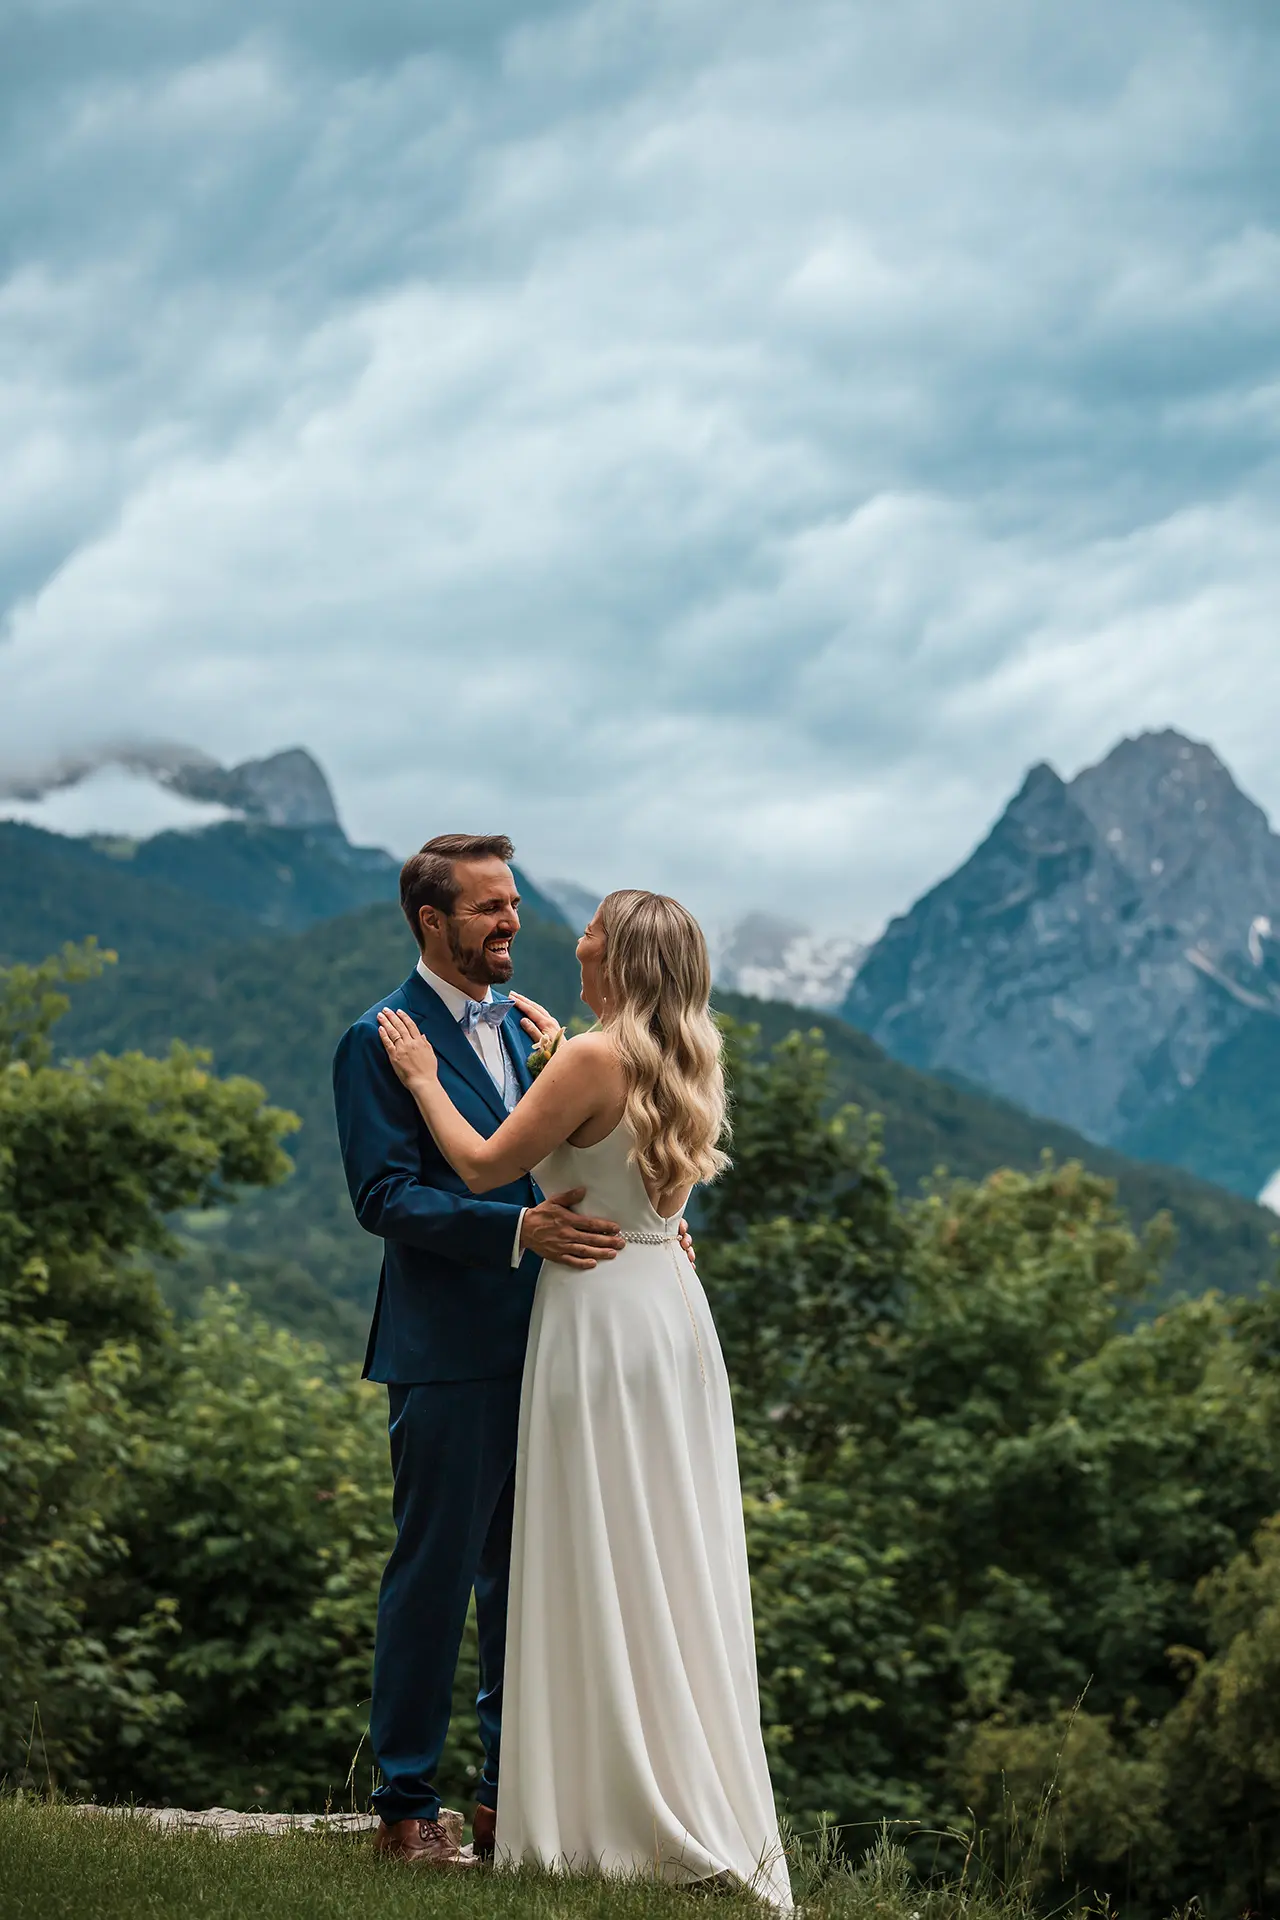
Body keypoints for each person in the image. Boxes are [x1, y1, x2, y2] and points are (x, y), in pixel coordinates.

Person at [376, 887, 792, 1907]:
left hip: (596, 1319)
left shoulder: (591, 1060)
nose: (575, 938)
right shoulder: (683, 1053)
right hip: (668, 1313)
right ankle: (665, 1778)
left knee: (593, 1546)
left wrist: (425, 1077)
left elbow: (479, 1169)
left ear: (624, 958)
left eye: (594, 932)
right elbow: (616, 1148)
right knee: (659, 1550)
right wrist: (565, 1050)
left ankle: (594, 1799)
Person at [332, 834, 694, 1868]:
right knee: (433, 1579)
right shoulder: (377, 1040)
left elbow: (575, 1151)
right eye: (488, 908)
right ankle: (406, 1806)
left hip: (561, 1343)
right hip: (448, 1351)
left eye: (513, 904)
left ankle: (508, 1800)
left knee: (529, 1580)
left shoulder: (546, 1036)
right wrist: (511, 1233)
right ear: (430, 923)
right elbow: (383, 1198)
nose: (512, 923)